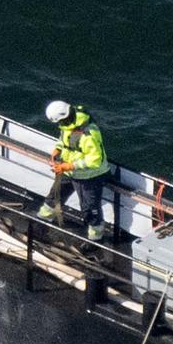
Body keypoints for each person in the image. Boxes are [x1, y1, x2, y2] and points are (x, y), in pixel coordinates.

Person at [37, 99, 113, 243]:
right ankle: (41, 221)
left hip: (90, 176)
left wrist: (69, 166)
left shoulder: (88, 134)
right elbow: (64, 138)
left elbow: (94, 160)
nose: (60, 125)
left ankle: (95, 239)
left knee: (90, 209)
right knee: (54, 197)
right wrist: (58, 149)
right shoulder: (68, 124)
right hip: (69, 169)